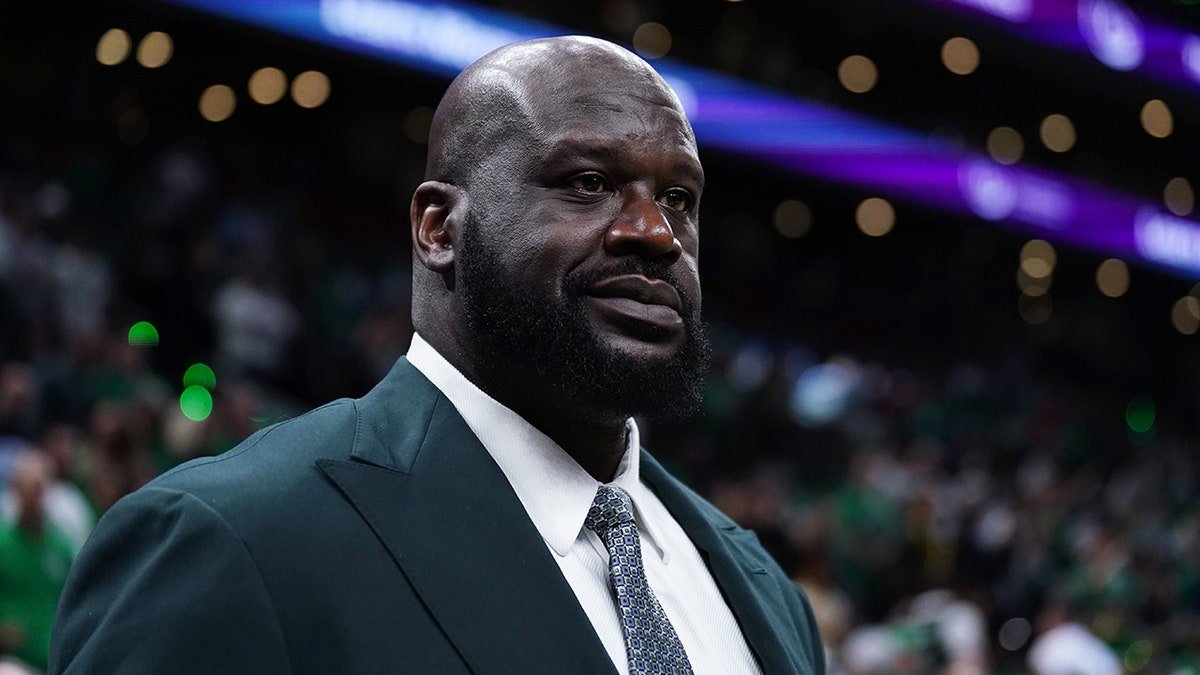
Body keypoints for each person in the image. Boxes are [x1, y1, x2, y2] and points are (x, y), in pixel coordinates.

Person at [49, 36, 825, 674]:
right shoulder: (232, 540)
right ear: (438, 229)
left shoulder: (764, 590)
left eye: (679, 198)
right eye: (589, 183)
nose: (655, 233)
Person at [0, 451, 75, 672]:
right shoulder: (3, 542)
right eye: (27, 489)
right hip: (13, 660)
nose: (34, 497)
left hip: (56, 658)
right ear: (15, 490)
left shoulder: (61, 544)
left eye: (38, 488)